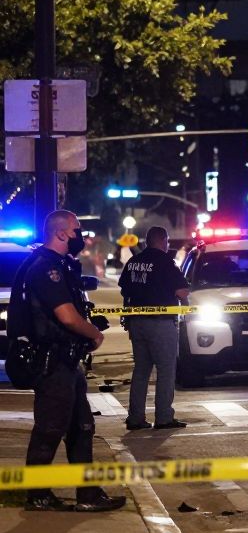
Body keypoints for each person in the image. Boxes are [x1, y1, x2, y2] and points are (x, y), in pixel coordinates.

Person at [21, 210, 126, 512]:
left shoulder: (62, 266)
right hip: (53, 361)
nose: (80, 235)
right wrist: (93, 333)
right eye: (77, 230)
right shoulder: (46, 268)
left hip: (68, 360)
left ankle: (88, 494)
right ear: (62, 233)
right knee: (50, 428)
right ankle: (37, 494)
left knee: (82, 427)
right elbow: (65, 315)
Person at [119, 226, 190, 431]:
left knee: (141, 370)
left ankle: (135, 418)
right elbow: (181, 290)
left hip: (137, 322)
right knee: (166, 371)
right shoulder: (165, 262)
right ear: (163, 240)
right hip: (160, 323)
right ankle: (164, 417)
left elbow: (125, 290)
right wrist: (186, 305)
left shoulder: (133, 262)